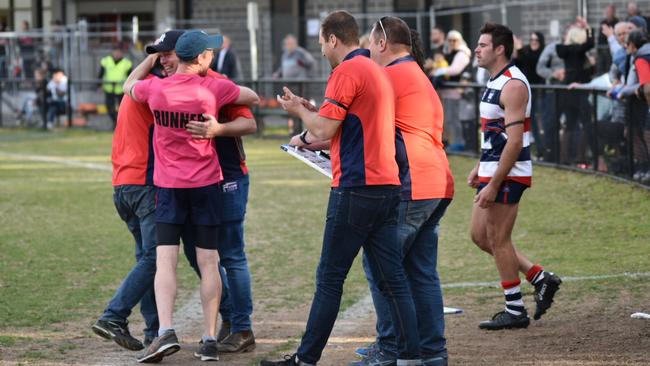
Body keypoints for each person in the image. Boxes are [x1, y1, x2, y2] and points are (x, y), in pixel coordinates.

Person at [260, 10, 421, 366]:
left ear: (333, 39)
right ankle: (410, 358)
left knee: (330, 279)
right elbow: (351, 126)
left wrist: (299, 113)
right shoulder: (375, 71)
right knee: (393, 280)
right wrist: (310, 112)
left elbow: (324, 131)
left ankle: (305, 360)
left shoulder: (346, 71)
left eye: (320, 42)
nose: (319, 49)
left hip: (356, 188)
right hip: (386, 186)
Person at [124, 30, 259, 363]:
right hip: (206, 186)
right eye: (210, 53)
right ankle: (210, 338)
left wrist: (148, 62)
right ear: (200, 59)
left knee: (165, 262)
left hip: (169, 188)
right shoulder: (212, 86)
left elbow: (129, 87)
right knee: (209, 262)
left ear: (177, 57)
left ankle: (165, 331)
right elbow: (252, 97)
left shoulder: (155, 88)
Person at [353, 17, 454, 366]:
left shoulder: (389, 76)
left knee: (382, 265)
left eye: (369, 42)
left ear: (382, 44)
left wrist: (308, 133)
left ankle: (391, 348)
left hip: (413, 184)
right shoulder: (416, 75)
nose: (365, 49)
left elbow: (353, 127)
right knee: (419, 271)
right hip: (436, 182)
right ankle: (431, 352)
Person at [91, 30, 186, 354]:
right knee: (153, 258)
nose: (164, 61)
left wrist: (150, 60)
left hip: (122, 186)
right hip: (144, 185)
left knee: (146, 258)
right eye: (161, 56)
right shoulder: (156, 88)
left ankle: (151, 333)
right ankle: (114, 315)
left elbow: (132, 79)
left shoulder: (138, 86)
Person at [469, 22, 562, 330]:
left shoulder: (513, 84)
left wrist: (494, 182)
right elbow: (494, 135)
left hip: (509, 174)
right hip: (493, 168)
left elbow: (514, 141)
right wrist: (480, 167)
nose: (477, 50)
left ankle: (515, 310)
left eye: (482, 45)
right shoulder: (494, 79)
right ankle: (540, 278)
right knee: (480, 236)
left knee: (498, 238)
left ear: (500, 49)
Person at [556, 17, 594, 165]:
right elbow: (590, 43)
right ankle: (579, 157)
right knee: (585, 122)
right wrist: (588, 28)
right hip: (578, 91)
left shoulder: (564, 50)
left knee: (570, 125)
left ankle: (564, 158)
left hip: (570, 92)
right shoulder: (575, 50)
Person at [432, 30, 472, 151]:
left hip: (459, 93)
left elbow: (455, 69)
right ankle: (455, 142)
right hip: (448, 93)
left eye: (454, 40)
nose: (452, 42)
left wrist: (438, 72)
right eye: (449, 40)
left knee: (455, 119)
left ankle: (460, 143)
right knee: (449, 119)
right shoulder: (449, 52)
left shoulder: (462, 53)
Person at [514, 32, 546, 158]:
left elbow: (533, 63)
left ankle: (542, 150)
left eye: (536, 39)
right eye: (531, 39)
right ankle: (534, 149)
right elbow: (518, 63)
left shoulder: (541, 52)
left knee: (540, 121)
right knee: (529, 121)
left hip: (539, 91)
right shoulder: (526, 50)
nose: (533, 41)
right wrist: (518, 51)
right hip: (526, 91)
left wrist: (520, 49)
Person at [536, 37, 566, 162]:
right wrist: (553, 73)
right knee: (550, 124)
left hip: (574, 90)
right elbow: (540, 68)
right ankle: (550, 157)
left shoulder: (581, 48)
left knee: (571, 126)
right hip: (553, 91)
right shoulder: (553, 47)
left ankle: (568, 158)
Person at [100, 46, 133, 129]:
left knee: (122, 109)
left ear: (122, 53)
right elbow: (101, 74)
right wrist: (99, 85)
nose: (117, 54)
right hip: (109, 89)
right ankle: (115, 122)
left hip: (121, 90)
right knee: (109, 107)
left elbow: (131, 77)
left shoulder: (127, 63)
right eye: (115, 51)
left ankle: (120, 124)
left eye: (119, 52)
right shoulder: (106, 61)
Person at [597, 4, 619, 74]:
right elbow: (600, 37)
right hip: (602, 49)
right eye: (607, 12)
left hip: (611, 49)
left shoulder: (617, 23)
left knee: (609, 67)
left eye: (610, 12)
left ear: (613, 13)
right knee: (600, 67)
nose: (608, 13)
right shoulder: (603, 22)